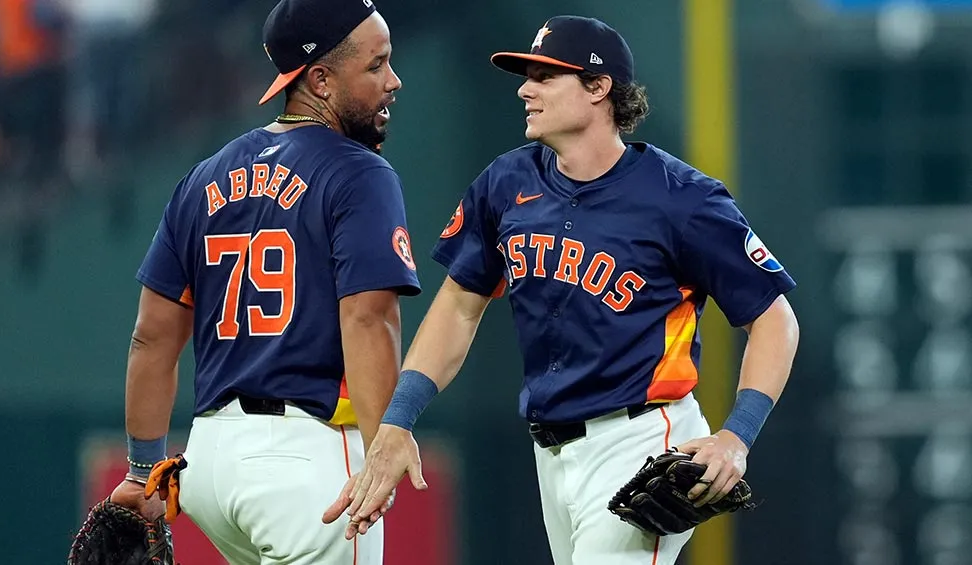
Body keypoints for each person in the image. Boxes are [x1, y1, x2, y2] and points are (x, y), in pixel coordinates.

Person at [323, 15, 800, 565]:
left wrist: (736, 438)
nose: (526, 88)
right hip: (550, 451)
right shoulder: (506, 183)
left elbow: (774, 319)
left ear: (600, 88)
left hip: (641, 438)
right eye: (527, 75)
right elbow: (457, 308)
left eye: (547, 76)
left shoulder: (683, 199)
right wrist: (399, 418)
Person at [106, 0, 420, 563]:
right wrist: (382, 446)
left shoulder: (203, 177)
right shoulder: (358, 171)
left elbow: (151, 338)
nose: (393, 80)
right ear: (320, 80)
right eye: (376, 65)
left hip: (212, 465)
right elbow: (368, 317)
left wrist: (140, 470)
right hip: (308, 462)